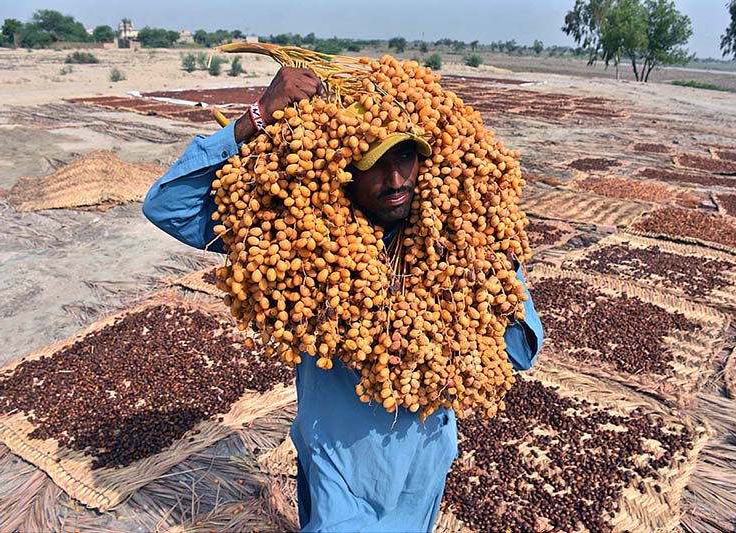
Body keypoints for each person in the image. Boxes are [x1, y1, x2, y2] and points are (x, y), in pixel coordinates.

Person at [143, 67, 543, 532]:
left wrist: (486, 274)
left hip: (424, 462)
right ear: (343, 172)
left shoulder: (461, 247)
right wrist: (256, 117)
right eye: (375, 164)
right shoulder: (298, 245)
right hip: (339, 466)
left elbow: (516, 353)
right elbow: (167, 206)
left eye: (407, 158)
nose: (395, 179)